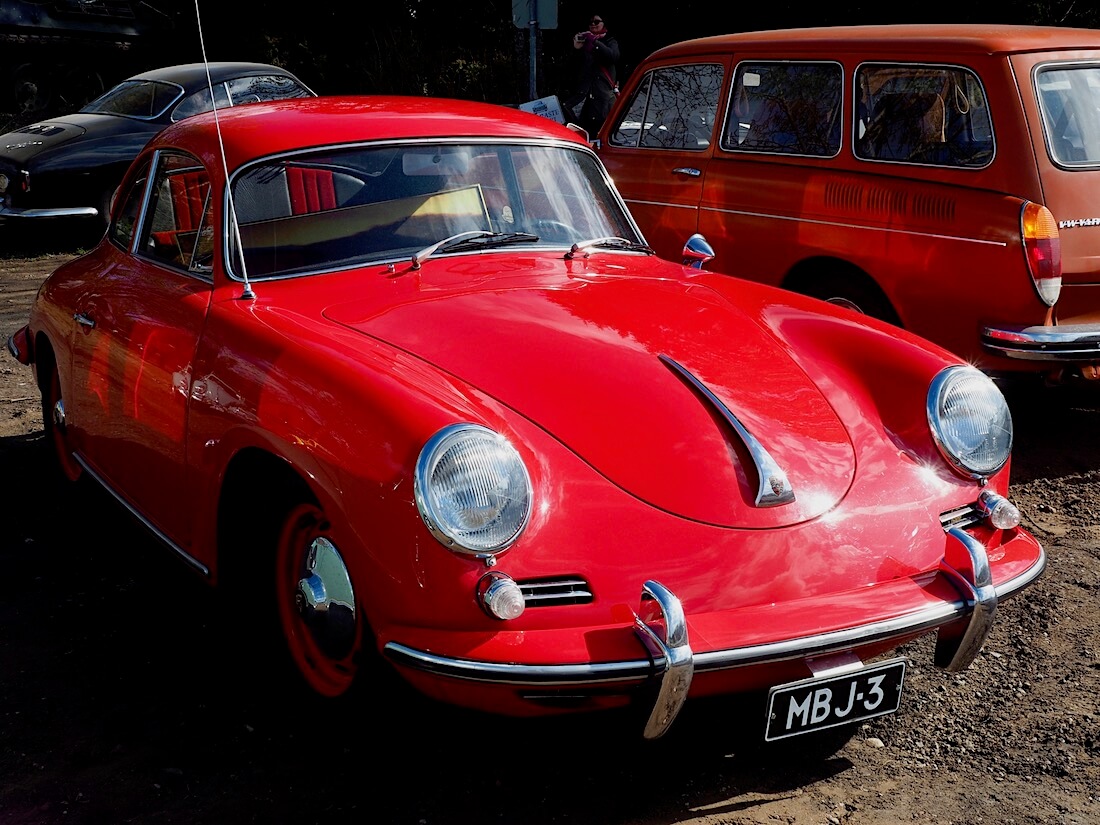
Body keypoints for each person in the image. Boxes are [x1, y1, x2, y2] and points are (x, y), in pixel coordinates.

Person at [563, 14, 620, 135]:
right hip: (583, 99)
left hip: (602, 100)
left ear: (604, 23)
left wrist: (595, 42)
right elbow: (571, 69)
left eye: (596, 21)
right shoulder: (584, 42)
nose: (593, 24)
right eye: (591, 22)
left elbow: (612, 57)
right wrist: (577, 49)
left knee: (601, 133)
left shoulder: (610, 41)